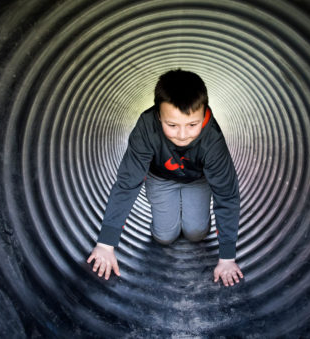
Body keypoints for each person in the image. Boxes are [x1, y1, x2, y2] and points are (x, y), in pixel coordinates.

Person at [87, 69, 243, 287]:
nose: (182, 134)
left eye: (192, 124)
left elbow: (227, 194)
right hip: (160, 179)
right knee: (164, 237)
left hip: (197, 180)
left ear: (205, 113)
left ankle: (192, 215)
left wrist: (227, 257)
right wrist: (106, 244)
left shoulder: (212, 140)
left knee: (196, 233)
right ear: (159, 115)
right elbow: (127, 182)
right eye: (172, 125)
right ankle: (170, 215)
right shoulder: (146, 127)